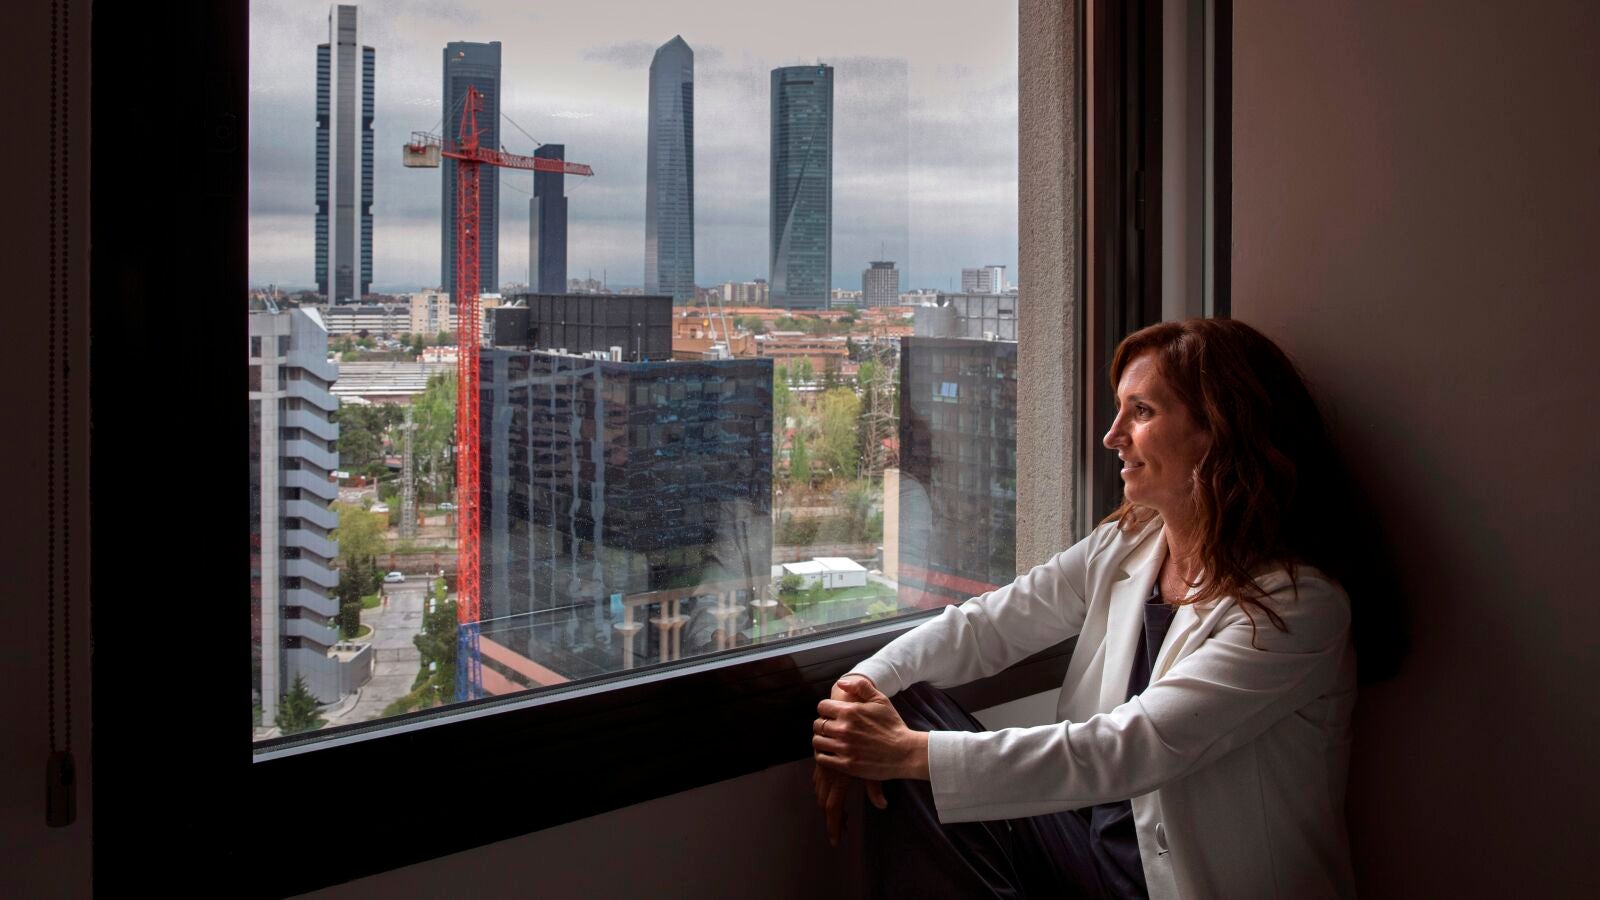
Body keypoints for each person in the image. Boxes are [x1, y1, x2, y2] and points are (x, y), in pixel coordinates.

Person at [812, 319, 1360, 899]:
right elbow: (989, 625)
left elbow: (1132, 746)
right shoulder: (1130, 544)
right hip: (1096, 859)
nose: (1112, 435)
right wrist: (857, 691)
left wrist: (907, 754)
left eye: (1141, 411)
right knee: (904, 702)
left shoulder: (1296, 607)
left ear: (1218, 429)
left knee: (912, 746)